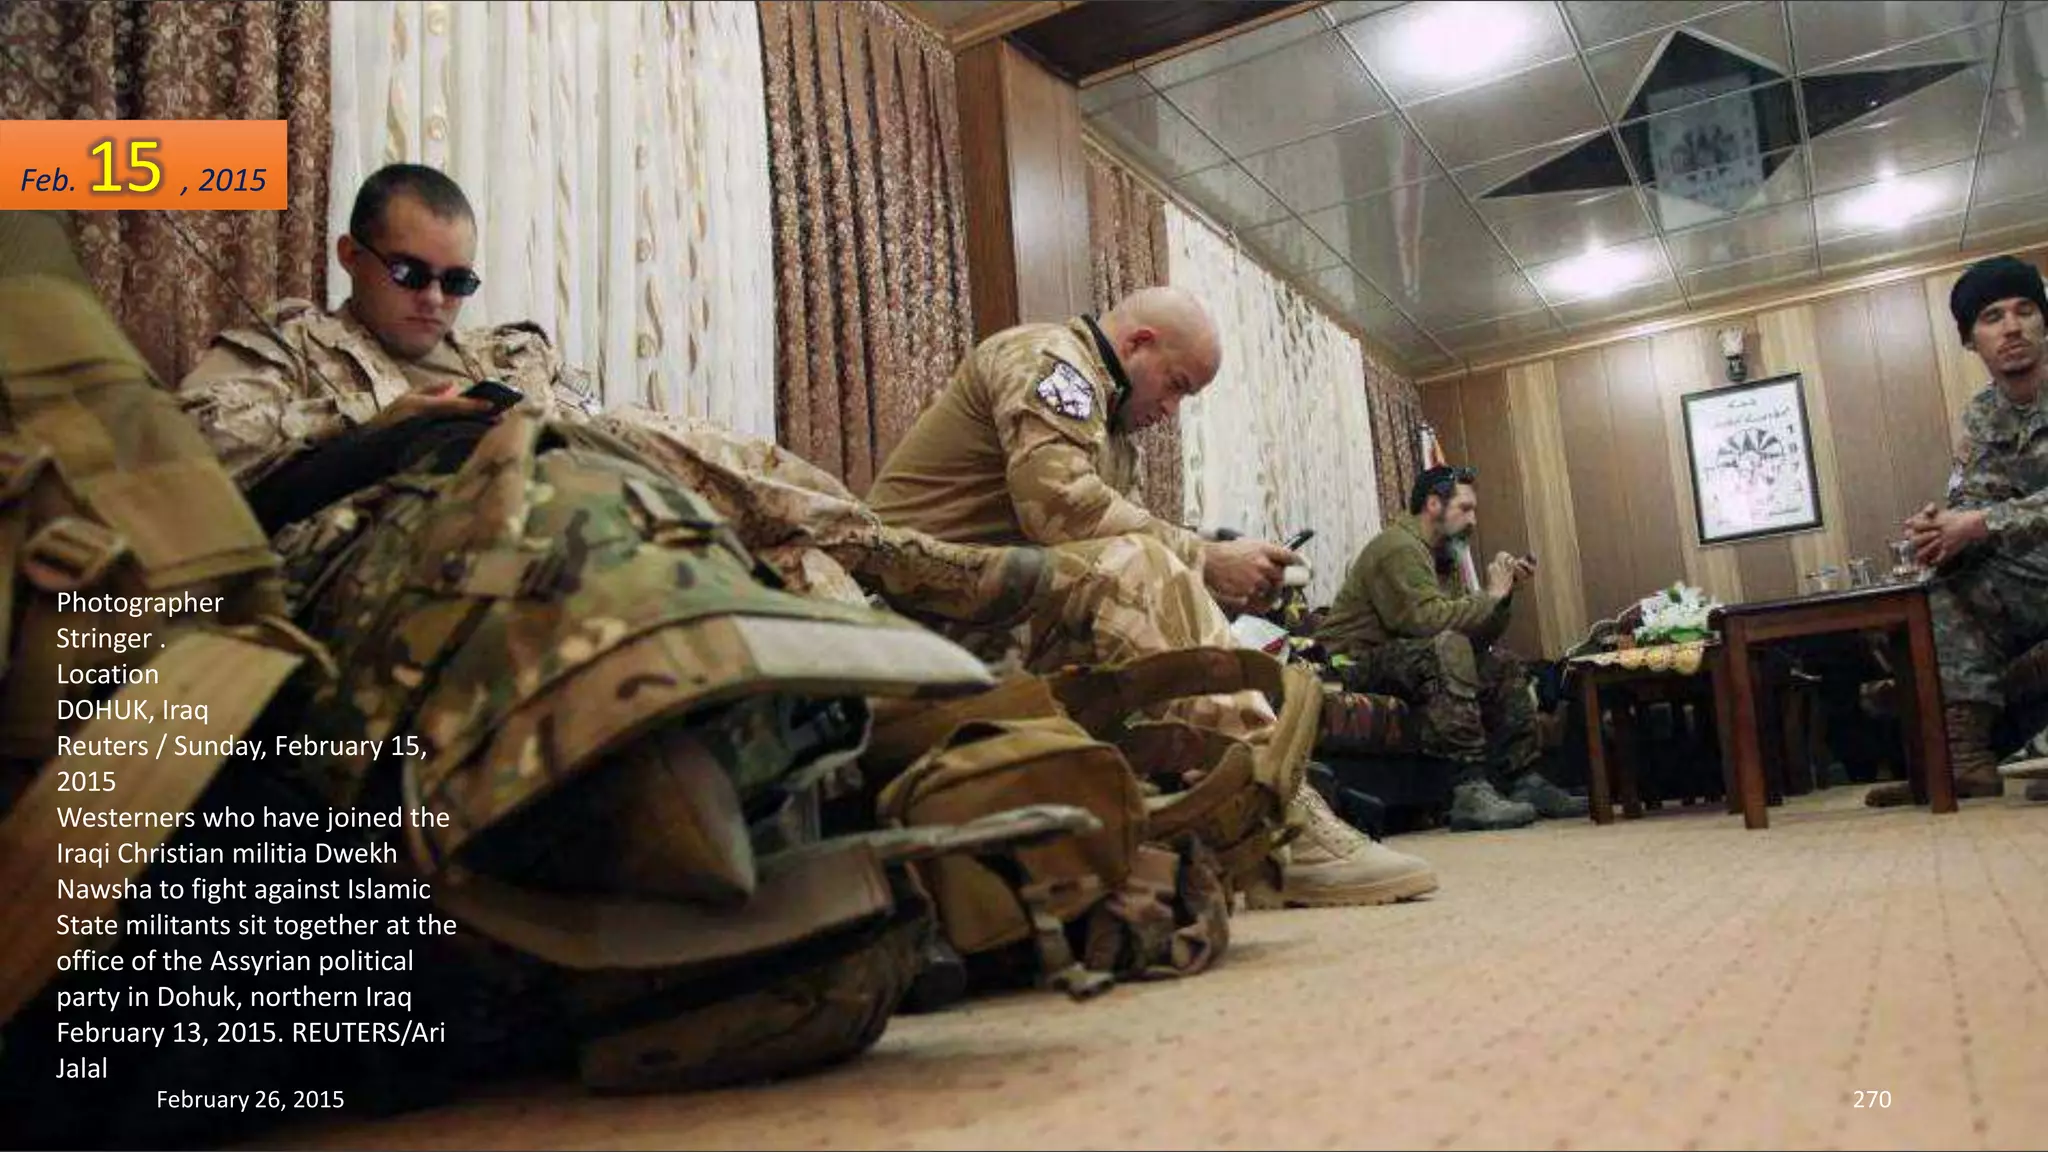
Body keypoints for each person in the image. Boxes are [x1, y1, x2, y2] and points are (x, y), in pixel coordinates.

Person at [174, 163, 1050, 629]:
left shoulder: (499, 352)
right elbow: (195, 459)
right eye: (409, 272)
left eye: (456, 279)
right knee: (637, 441)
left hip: (563, 501)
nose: (434, 298)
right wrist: (380, 423)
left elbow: (597, 431)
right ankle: (906, 556)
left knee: (774, 552)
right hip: (383, 540)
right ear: (350, 256)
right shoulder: (287, 343)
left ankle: (888, 691)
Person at [866, 287, 1439, 907]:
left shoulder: (1114, 441)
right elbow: (1059, 508)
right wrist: (1203, 560)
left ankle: (1209, 810)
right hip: (905, 611)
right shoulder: (1048, 357)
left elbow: (1096, 544)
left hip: (988, 611)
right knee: (1142, 566)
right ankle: (1280, 815)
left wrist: (1215, 573)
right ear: (1137, 343)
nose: (1172, 407)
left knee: (1150, 581)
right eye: (1176, 384)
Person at [1314, 465, 1587, 832]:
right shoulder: (1397, 547)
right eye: (1465, 508)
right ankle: (1468, 789)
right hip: (1351, 664)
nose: (1473, 519)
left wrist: (1502, 599)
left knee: (1500, 664)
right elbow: (1426, 622)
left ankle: (1523, 780)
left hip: (1405, 657)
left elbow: (1473, 634)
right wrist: (1489, 594)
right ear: (1433, 504)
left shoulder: (1442, 555)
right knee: (1446, 646)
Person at [1870, 254, 2048, 805]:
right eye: (1992, 317)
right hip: (2031, 574)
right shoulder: (1982, 416)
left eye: (2025, 311)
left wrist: (1979, 522)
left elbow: (1987, 517)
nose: (2012, 327)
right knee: (1938, 585)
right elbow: (1973, 497)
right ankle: (1960, 758)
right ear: (1972, 340)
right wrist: (1939, 527)